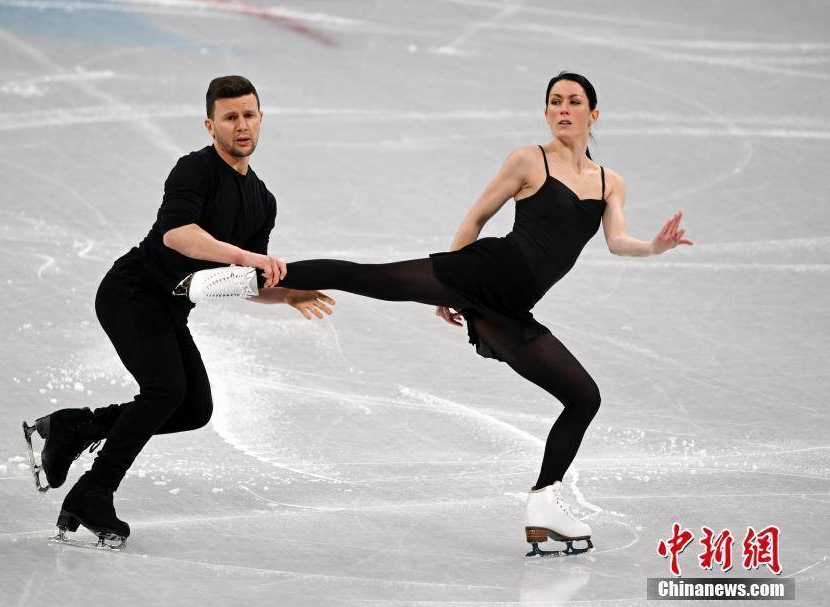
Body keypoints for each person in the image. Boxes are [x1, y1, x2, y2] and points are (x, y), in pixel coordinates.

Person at [182, 72, 692, 556]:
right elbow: (477, 216)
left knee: (583, 397)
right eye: (555, 101)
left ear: (593, 114)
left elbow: (618, 240)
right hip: (479, 272)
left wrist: (654, 247)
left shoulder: (609, 183)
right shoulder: (529, 160)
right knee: (364, 275)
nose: (563, 109)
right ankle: (244, 278)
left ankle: (544, 502)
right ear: (545, 112)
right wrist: (450, 278)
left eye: (573, 102)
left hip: (511, 310)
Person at [21, 75, 336, 548]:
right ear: (211, 125)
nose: (241, 125)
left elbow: (243, 283)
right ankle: (94, 492)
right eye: (230, 117)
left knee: (193, 408)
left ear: (261, 119)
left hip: (170, 309)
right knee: (165, 389)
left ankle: (74, 426)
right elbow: (177, 235)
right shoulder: (194, 170)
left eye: (249, 114)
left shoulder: (262, 201)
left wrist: (285, 294)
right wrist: (247, 257)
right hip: (131, 292)